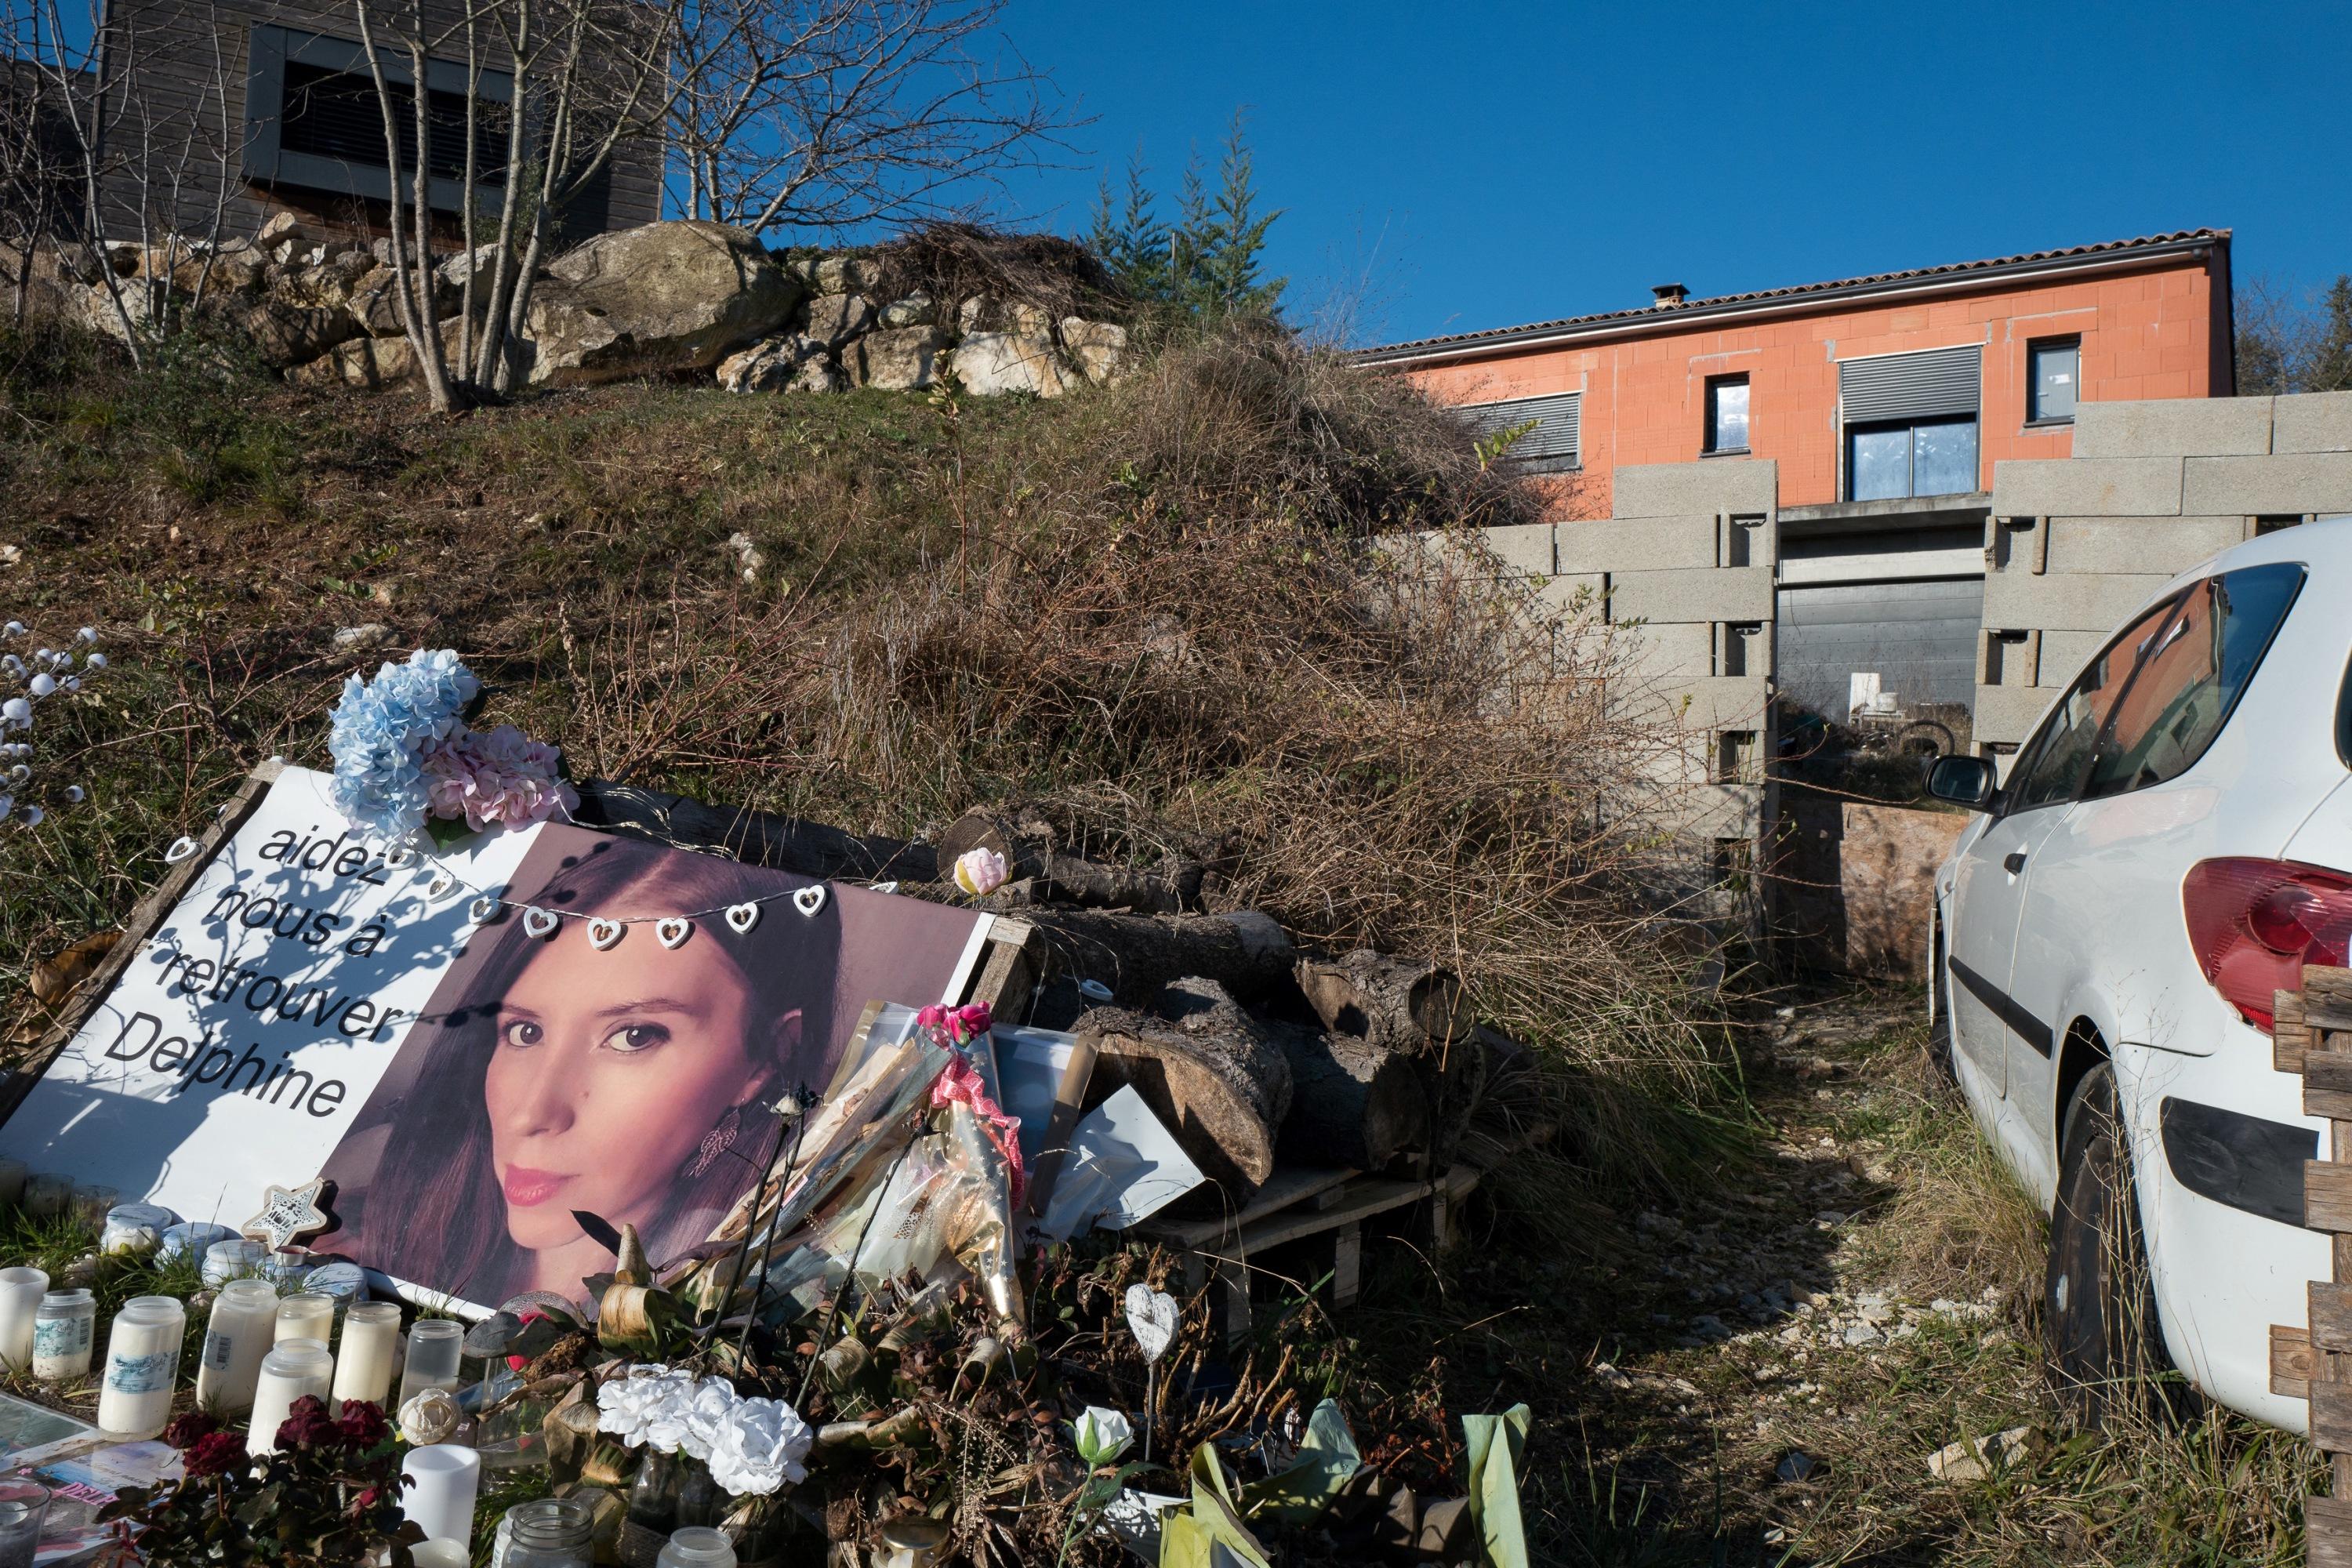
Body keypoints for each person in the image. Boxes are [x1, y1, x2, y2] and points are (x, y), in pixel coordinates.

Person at [340, 837, 838, 1304]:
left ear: (769, 1057)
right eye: (525, 1032)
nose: (531, 1114)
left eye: (633, 1036)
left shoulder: (769, 1309)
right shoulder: (354, 1222)